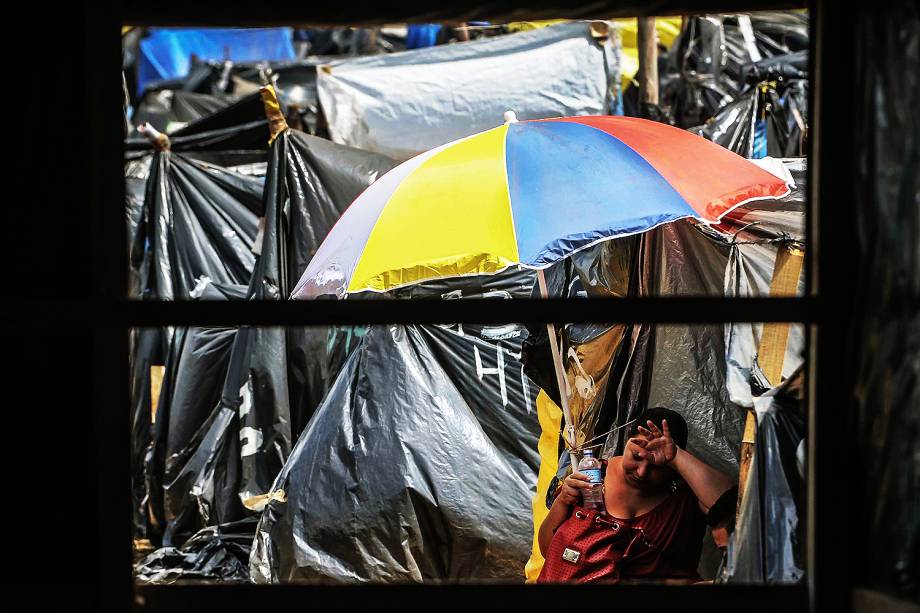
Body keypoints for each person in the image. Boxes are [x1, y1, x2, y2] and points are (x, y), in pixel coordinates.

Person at [538, 407, 734, 583]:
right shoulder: (589, 479)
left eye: (657, 467)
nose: (641, 472)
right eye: (636, 457)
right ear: (626, 441)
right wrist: (562, 502)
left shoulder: (683, 496)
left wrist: (676, 457)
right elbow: (549, 553)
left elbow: (731, 505)